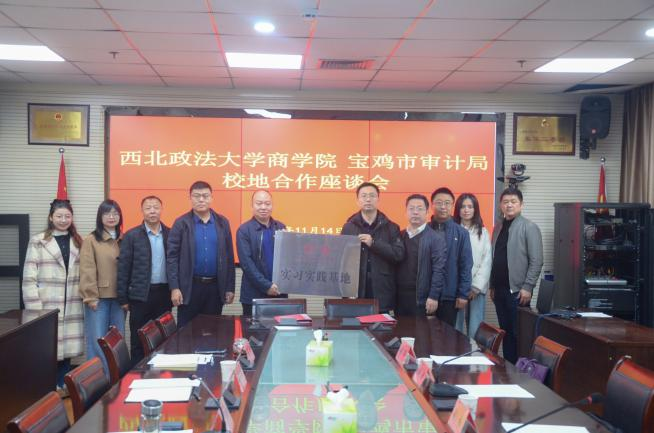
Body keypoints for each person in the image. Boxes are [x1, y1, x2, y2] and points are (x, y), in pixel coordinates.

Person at [22, 199, 84, 390]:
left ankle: (63, 385)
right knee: (48, 347)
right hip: (46, 301)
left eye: (67, 216)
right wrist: (34, 307)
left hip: (72, 300)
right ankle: (47, 389)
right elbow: (29, 276)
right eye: (59, 216)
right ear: (51, 217)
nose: (63, 220)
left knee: (67, 347)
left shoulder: (78, 241)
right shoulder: (39, 241)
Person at [167, 181, 235, 327]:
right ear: (190, 198)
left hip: (215, 288)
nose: (201, 199)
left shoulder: (222, 222)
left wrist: (230, 287)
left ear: (211, 198)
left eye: (205, 196)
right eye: (197, 196)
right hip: (189, 287)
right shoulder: (181, 223)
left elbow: (229, 257)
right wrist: (174, 287)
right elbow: (172, 258)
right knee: (186, 331)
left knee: (212, 331)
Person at [490, 188, 543, 363]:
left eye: (513, 202)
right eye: (505, 202)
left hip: (518, 292)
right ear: (500, 205)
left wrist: (528, 287)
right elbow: (494, 257)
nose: (509, 205)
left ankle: (521, 371)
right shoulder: (498, 227)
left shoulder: (529, 227)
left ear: (521, 205)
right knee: (505, 332)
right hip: (499, 290)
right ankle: (509, 368)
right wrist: (492, 285)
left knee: (519, 334)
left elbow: (537, 260)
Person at [117, 196, 171, 364]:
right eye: (148, 208)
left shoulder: (170, 234)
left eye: (156, 207)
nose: (152, 211)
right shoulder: (131, 235)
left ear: (161, 209)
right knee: (138, 338)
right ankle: (137, 373)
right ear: (142, 211)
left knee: (164, 337)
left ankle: (161, 372)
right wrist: (123, 298)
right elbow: (123, 268)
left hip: (164, 293)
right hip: (140, 295)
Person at [341, 182, 404, 313]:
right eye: (364, 196)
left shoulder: (391, 227)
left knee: (381, 325)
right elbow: (342, 260)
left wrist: (374, 243)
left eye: (372, 196)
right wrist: (346, 289)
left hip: (382, 290)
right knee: (355, 324)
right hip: (356, 290)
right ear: (357, 200)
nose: (368, 199)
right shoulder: (348, 227)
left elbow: (398, 255)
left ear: (378, 199)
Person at [80, 199, 125, 371]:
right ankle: (99, 379)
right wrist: (90, 296)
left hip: (120, 298)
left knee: (117, 340)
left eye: (115, 213)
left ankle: (116, 378)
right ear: (100, 217)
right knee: (97, 340)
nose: (111, 217)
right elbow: (87, 269)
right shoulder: (91, 239)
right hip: (98, 298)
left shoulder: (124, 238)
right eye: (107, 213)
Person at [395, 194, 447, 316]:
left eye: (419, 208)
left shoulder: (435, 239)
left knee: (421, 329)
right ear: (406, 212)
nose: (415, 212)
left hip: (421, 298)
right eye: (411, 208)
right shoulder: (399, 235)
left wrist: (433, 296)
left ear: (427, 212)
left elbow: (439, 270)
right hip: (398, 297)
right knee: (400, 328)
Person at [237, 190, 287, 316]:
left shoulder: (281, 227)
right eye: (259, 203)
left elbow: (288, 259)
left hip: (279, 292)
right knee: (253, 328)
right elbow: (247, 264)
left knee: (280, 328)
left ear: (272, 206)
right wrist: (266, 286)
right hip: (253, 294)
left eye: (267, 203)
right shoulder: (244, 230)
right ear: (252, 206)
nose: (263, 207)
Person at [428, 187, 473, 326]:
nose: (443, 207)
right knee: (424, 333)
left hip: (450, 296)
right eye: (439, 202)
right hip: (426, 295)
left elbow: (466, 265)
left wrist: (463, 294)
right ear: (432, 205)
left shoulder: (461, 233)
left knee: (446, 334)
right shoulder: (425, 230)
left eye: (447, 203)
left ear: (453, 206)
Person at [453, 193, 492, 337]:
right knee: (455, 327)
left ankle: (474, 351)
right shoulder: (453, 230)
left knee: (475, 328)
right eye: (463, 206)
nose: (466, 210)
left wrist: (475, 287)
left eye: (470, 206)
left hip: (476, 289)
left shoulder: (483, 232)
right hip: (456, 287)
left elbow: (486, 261)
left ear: (475, 209)